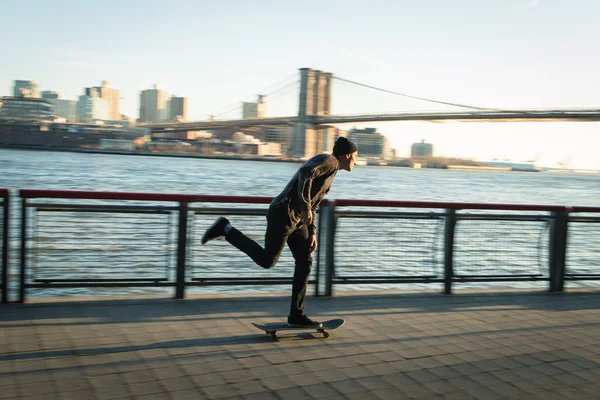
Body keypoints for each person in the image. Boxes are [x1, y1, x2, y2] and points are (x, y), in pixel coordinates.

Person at [201, 136, 358, 326]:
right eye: (355, 157)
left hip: (297, 222)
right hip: (283, 214)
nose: (356, 162)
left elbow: (314, 202)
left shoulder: (332, 172)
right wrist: (305, 207)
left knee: (305, 260)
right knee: (268, 261)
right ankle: (226, 229)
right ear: (347, 155)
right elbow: (305, 171)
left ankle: (296, 315)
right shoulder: (329, 161)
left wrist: (312, 230)